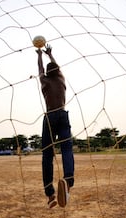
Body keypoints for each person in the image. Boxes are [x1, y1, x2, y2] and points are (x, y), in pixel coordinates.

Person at [36, 44, 74, 208]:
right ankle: (68, 181)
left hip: (50, 117)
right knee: (67, 149)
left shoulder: (45, 81)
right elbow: (54, 68)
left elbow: (40, 70)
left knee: (47, 156)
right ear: (58, 70)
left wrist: (39, 55)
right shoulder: (61, 79)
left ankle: (50, 194)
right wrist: (50, 54)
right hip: (63, 114)